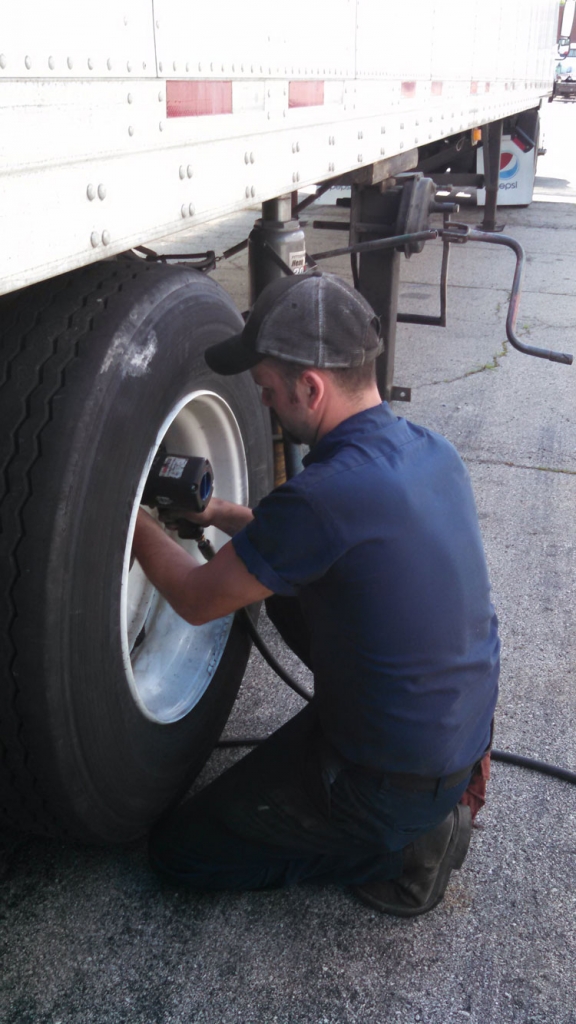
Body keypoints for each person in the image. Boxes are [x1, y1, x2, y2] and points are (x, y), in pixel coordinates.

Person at [133, 269, 499, 917]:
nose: (266, 404)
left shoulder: (324, 499)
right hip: (453, 737)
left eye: (268, 391)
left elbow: (193, 597)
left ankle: (409, 848)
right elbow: (461, 610)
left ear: (311, 386)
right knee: (282, 592)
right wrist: (217, 512)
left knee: (182, 853)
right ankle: (411, 802)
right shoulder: (429, 452)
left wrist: (125, 514)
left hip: (391, 781)